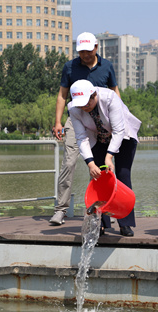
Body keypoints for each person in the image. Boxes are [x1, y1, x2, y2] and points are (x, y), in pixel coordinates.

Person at [50, 32, 120, 225]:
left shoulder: (106, 66)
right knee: (69, 162)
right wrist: (58, 122)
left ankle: (105, 208)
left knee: (104, 166)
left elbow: (114, 92)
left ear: (96, 48)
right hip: (77, 119)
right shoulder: (70, 67)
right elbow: (62, 95)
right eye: (81, 52)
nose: (85, 55)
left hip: (102, 123)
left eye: (88, 51)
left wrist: (120, 118)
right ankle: (61, 209)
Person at [68, 79, 141, 237]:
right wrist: (90, 163)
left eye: (88, 103)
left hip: (123, 136)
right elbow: (81, 137)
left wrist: (109, 156)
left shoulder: (109, 97)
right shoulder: (73, 109)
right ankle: (100, 224)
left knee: (122, 175)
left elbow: (118, 130)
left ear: (94, 94)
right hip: (98, 138)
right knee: (99, 179)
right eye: (81, 105)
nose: (85, 108)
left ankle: (125, 223)